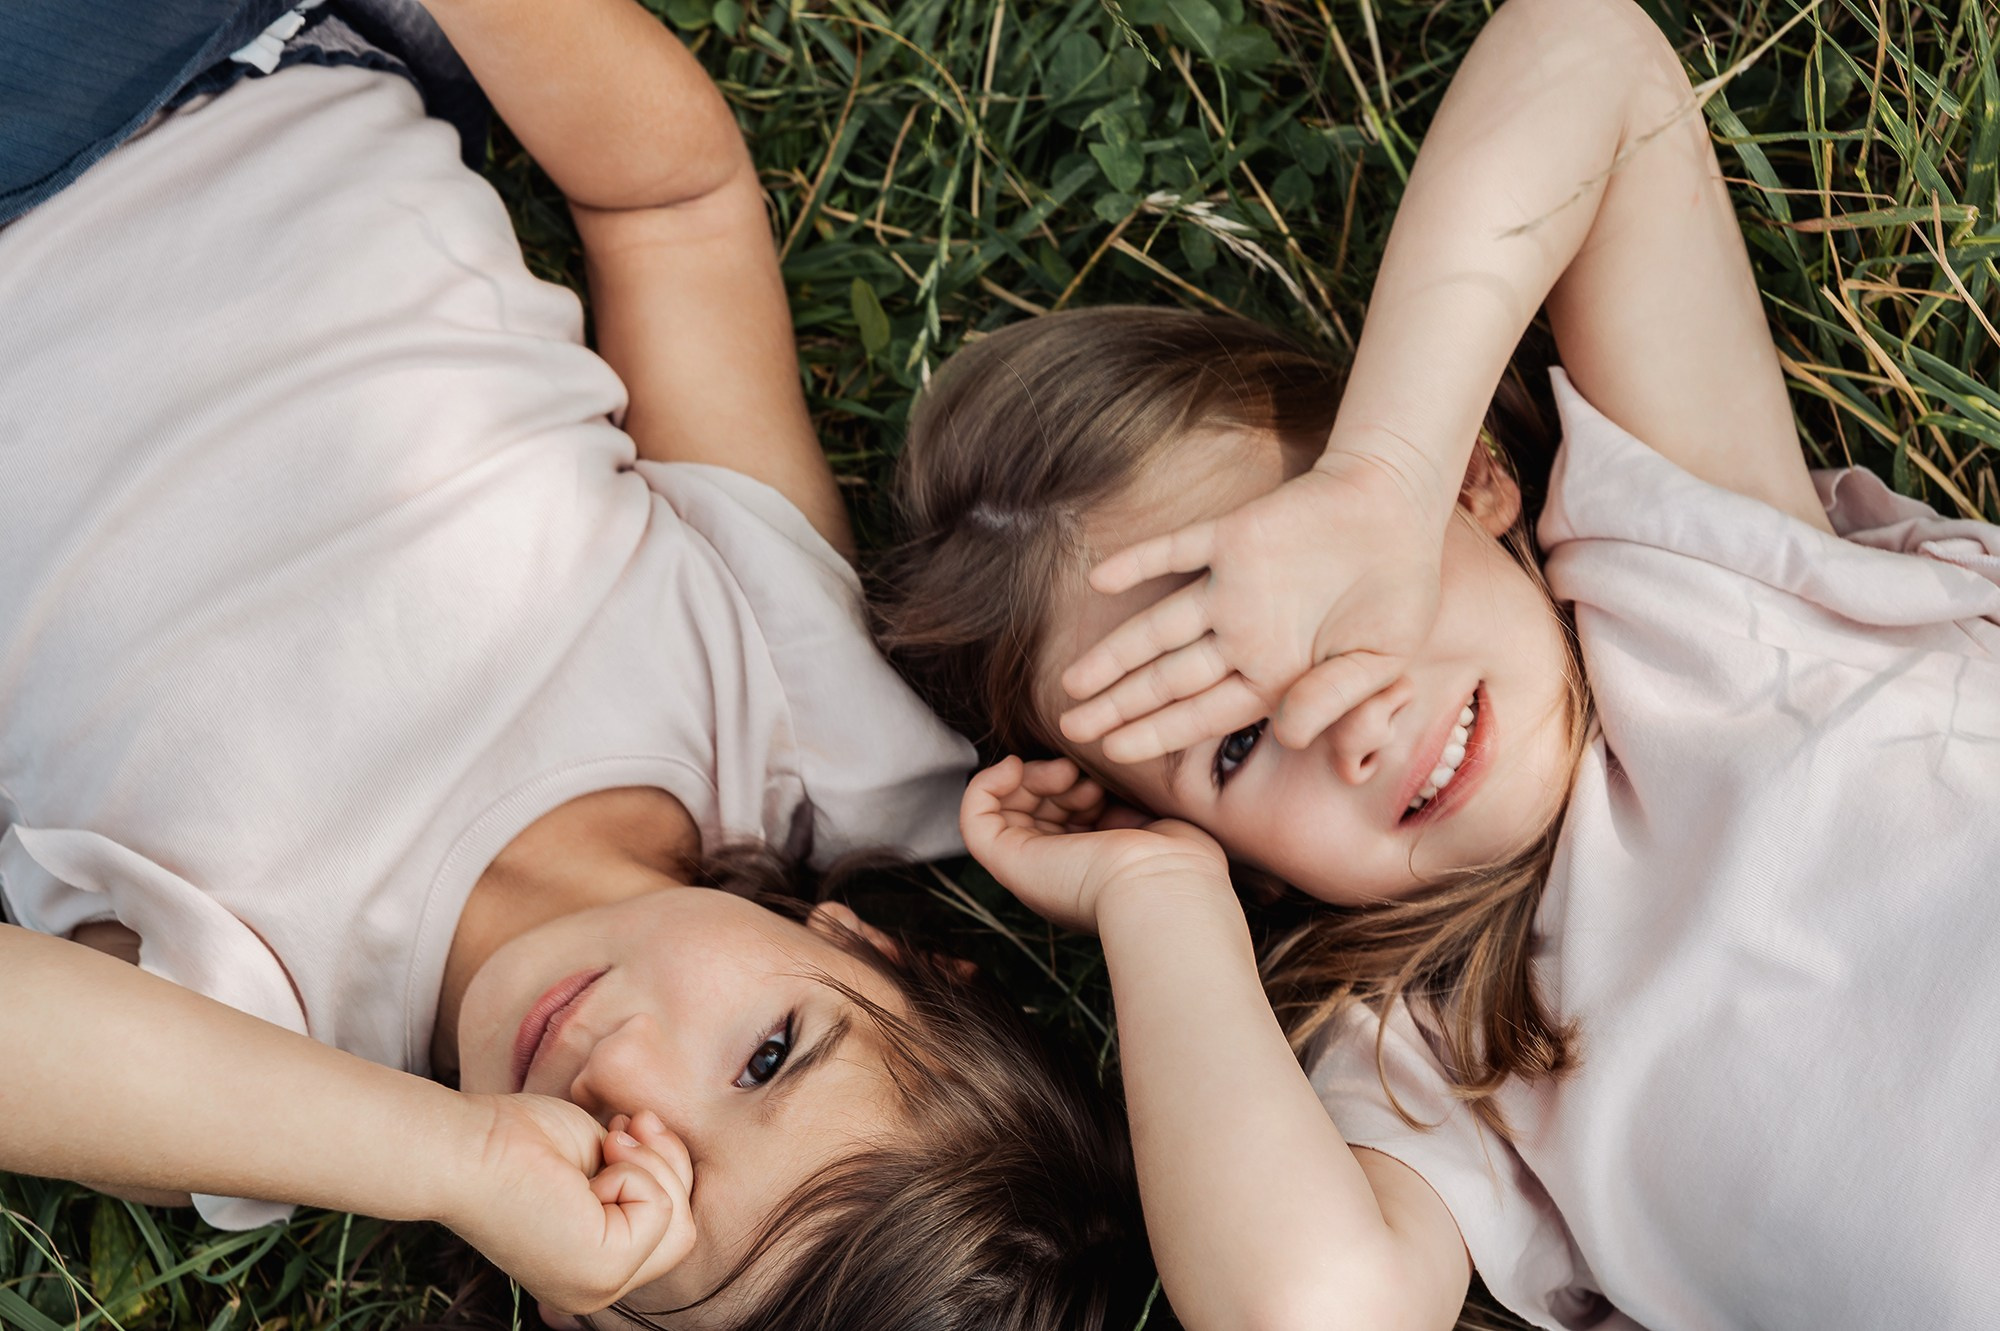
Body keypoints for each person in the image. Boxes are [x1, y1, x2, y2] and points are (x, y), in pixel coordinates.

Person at [0, 1, 1151, 1327]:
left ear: (575, 1305)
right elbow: (672, 207)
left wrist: (451, 1161)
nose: (626, 1078)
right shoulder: (800, 717)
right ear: (878, 952)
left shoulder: (263, 1049)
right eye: (768, 1059)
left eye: (643, 1205)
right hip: (197, 78)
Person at [874, 0, 2000, 1326]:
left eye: (1317, 600)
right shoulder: (1435, 1056)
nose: (1344, 718)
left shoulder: (1689, 579)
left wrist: (1379, 473)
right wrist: (1157, 903)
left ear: (1471, 486)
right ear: (1234, 857)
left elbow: (1590, 56)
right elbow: (1310, 1312)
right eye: (1236, 746)